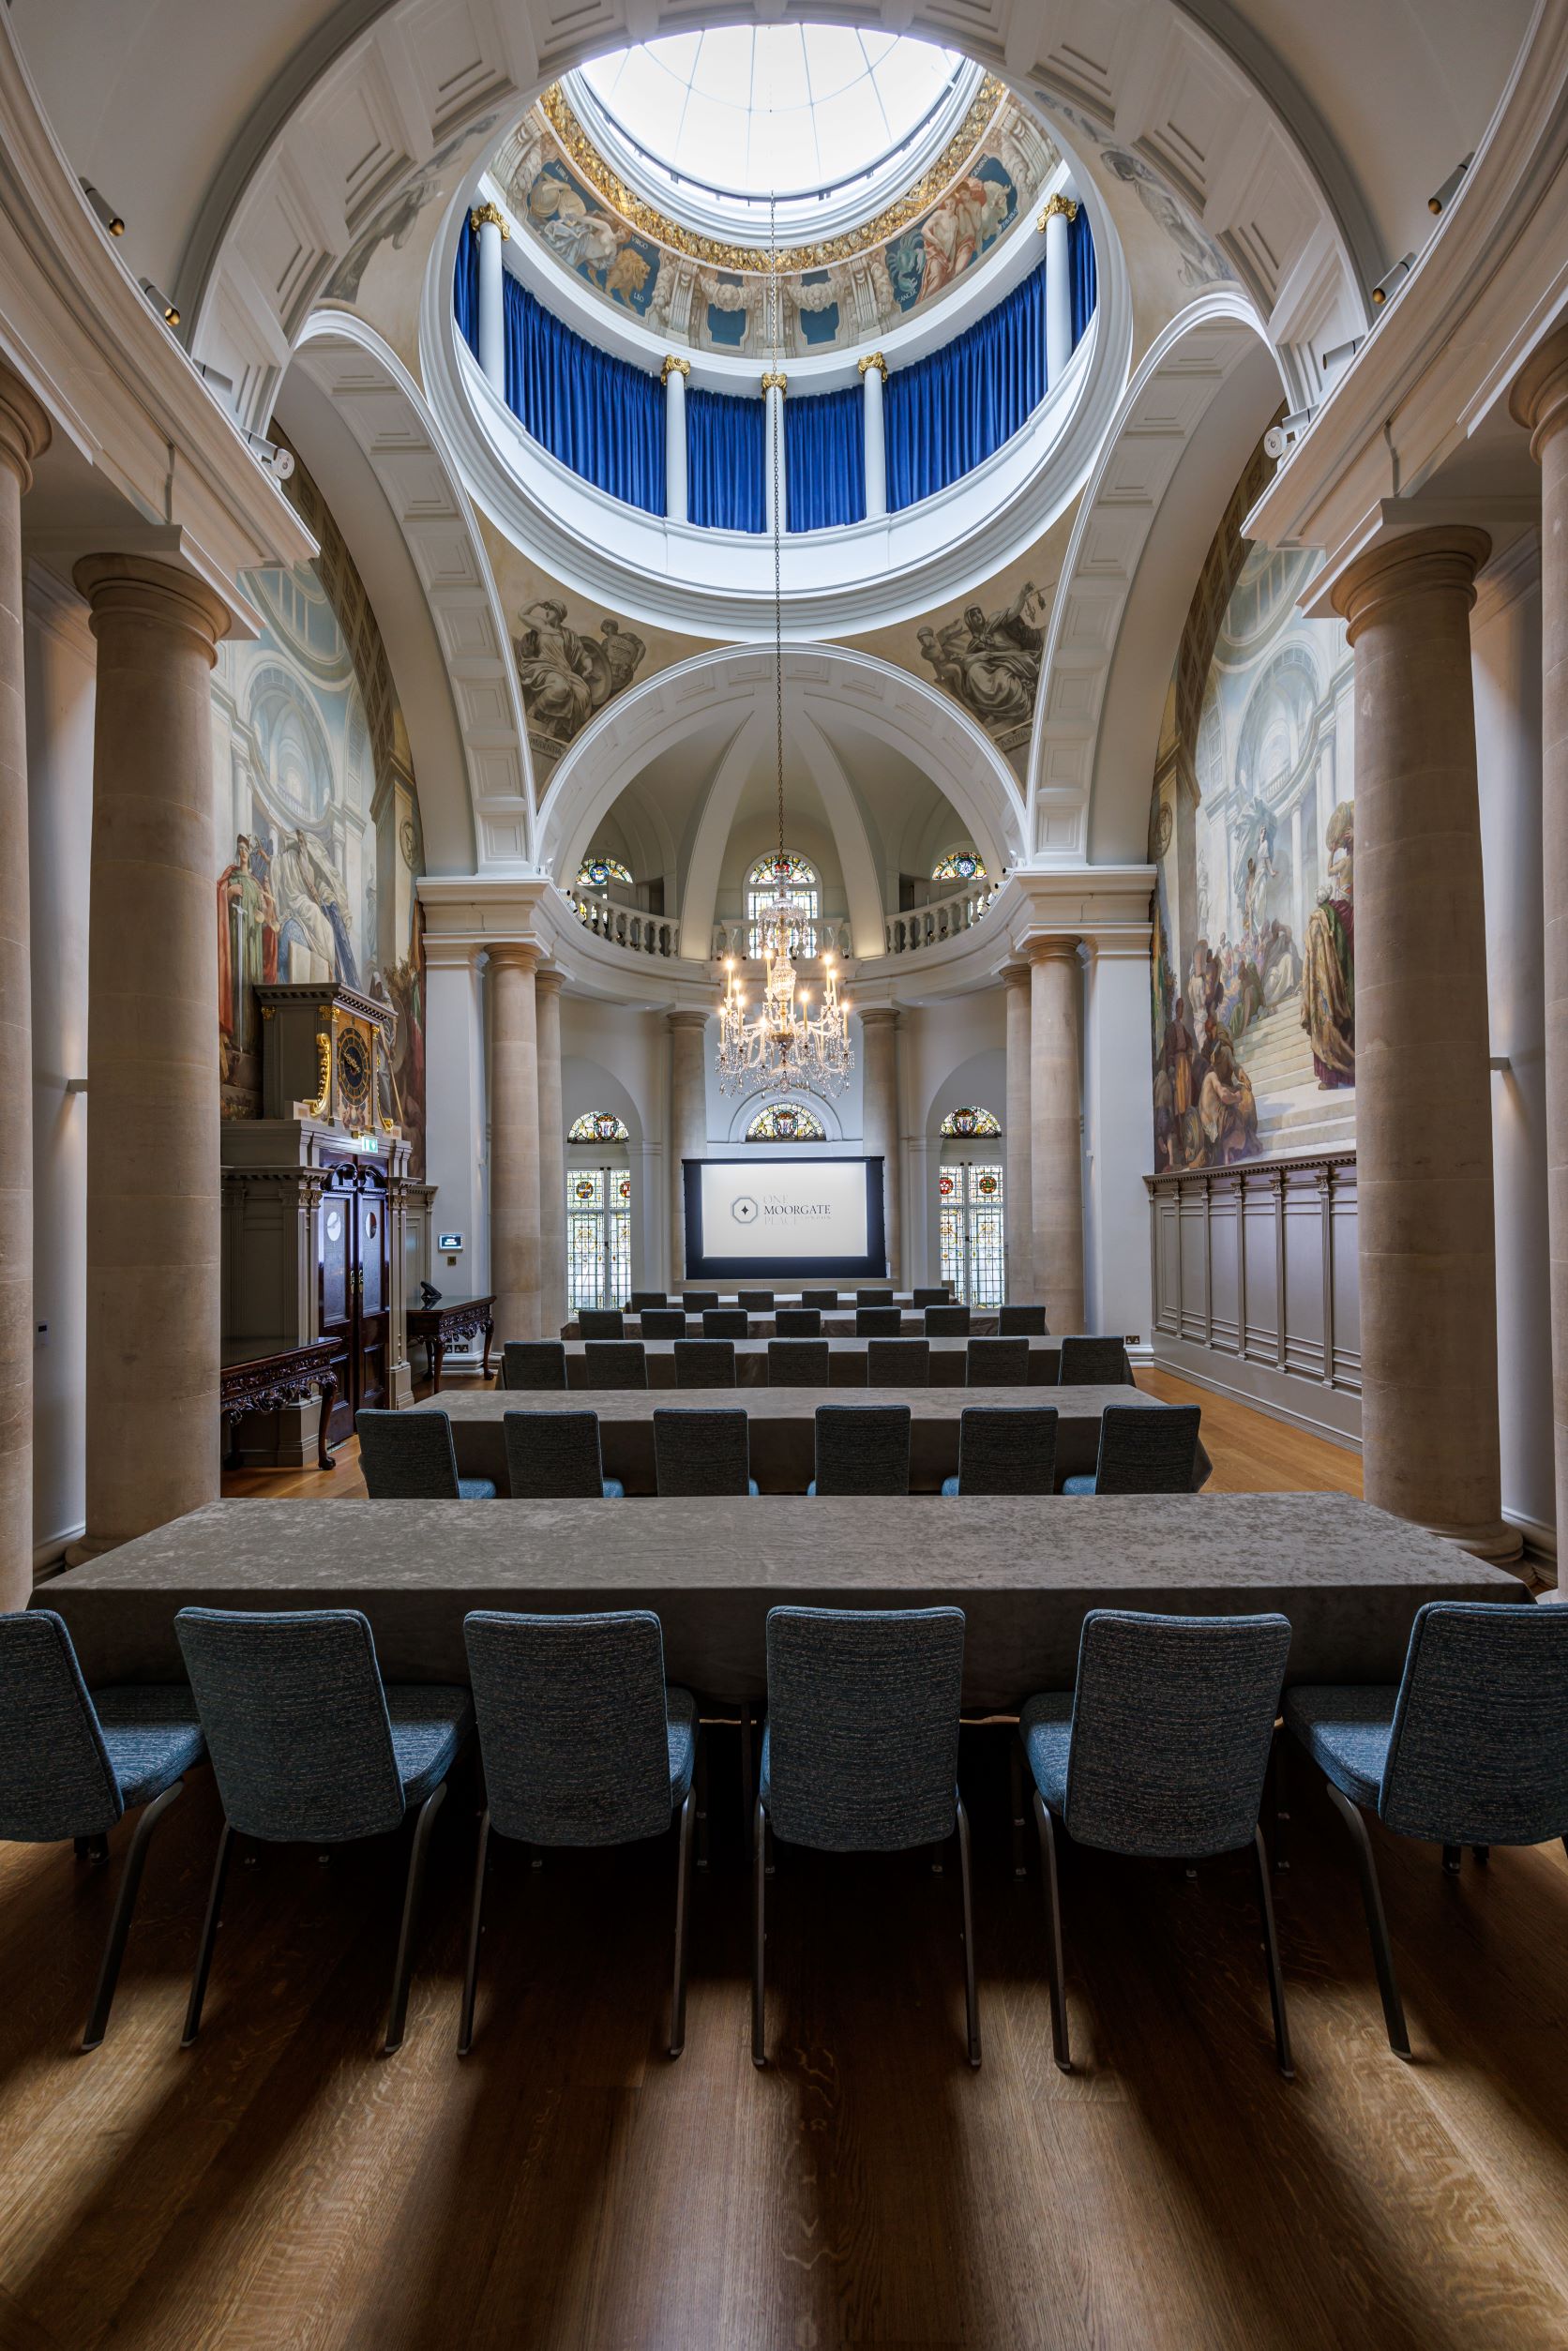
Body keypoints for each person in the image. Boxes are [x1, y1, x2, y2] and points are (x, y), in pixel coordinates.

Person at [1301, 802, 1355, 1088]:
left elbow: (1332, 869)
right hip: (1343, 908)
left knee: (1319, 923)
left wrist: (1334, 850)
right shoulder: (1351, 860)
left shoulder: (1351, 860)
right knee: (1318, 924)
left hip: (1346, 910)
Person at [217, 835, 278, 1055]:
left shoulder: (254, 884)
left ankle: (251, 1043)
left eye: (246, 849)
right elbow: (216, 896)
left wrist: (269, 907)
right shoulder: (231, 877)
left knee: (250, 987)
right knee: (236, 985)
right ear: (237, 851)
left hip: (253, 946)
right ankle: (235, 1038)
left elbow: (266, 919)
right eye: (240, 848)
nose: (243, 852)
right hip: (236, 941)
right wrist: (229, 893)